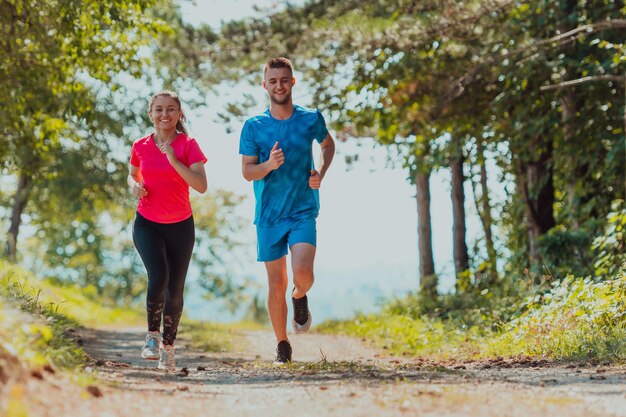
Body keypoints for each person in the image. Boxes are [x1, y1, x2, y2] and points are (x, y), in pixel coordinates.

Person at [239, 57, 336, 365]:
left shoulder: (310, 118)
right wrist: (269, 164)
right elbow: (247, 172)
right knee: (276, 282)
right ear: (264, 85)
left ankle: (300, 296)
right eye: (273, 80)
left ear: (292, 82)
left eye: (284, 80)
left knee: (303, 274)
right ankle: (282, 345)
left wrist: (321, 171)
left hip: (302, 209)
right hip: (268, 214)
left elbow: (328, 144)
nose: (278, 85)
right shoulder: (254, 126)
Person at [128, 90, 207, 371]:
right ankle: (152, 336)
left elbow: (200, 185)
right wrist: (133, 186)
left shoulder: (188, 145)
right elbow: (133, 172)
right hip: (147, 222)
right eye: (159, 109)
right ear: (151, 114)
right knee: (158, 274)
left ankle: (168, 350)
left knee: (175, 290)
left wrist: (174, 160)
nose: (165, 114)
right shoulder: (140, 145)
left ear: (179, 114)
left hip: (180, 226)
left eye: (171, 109)